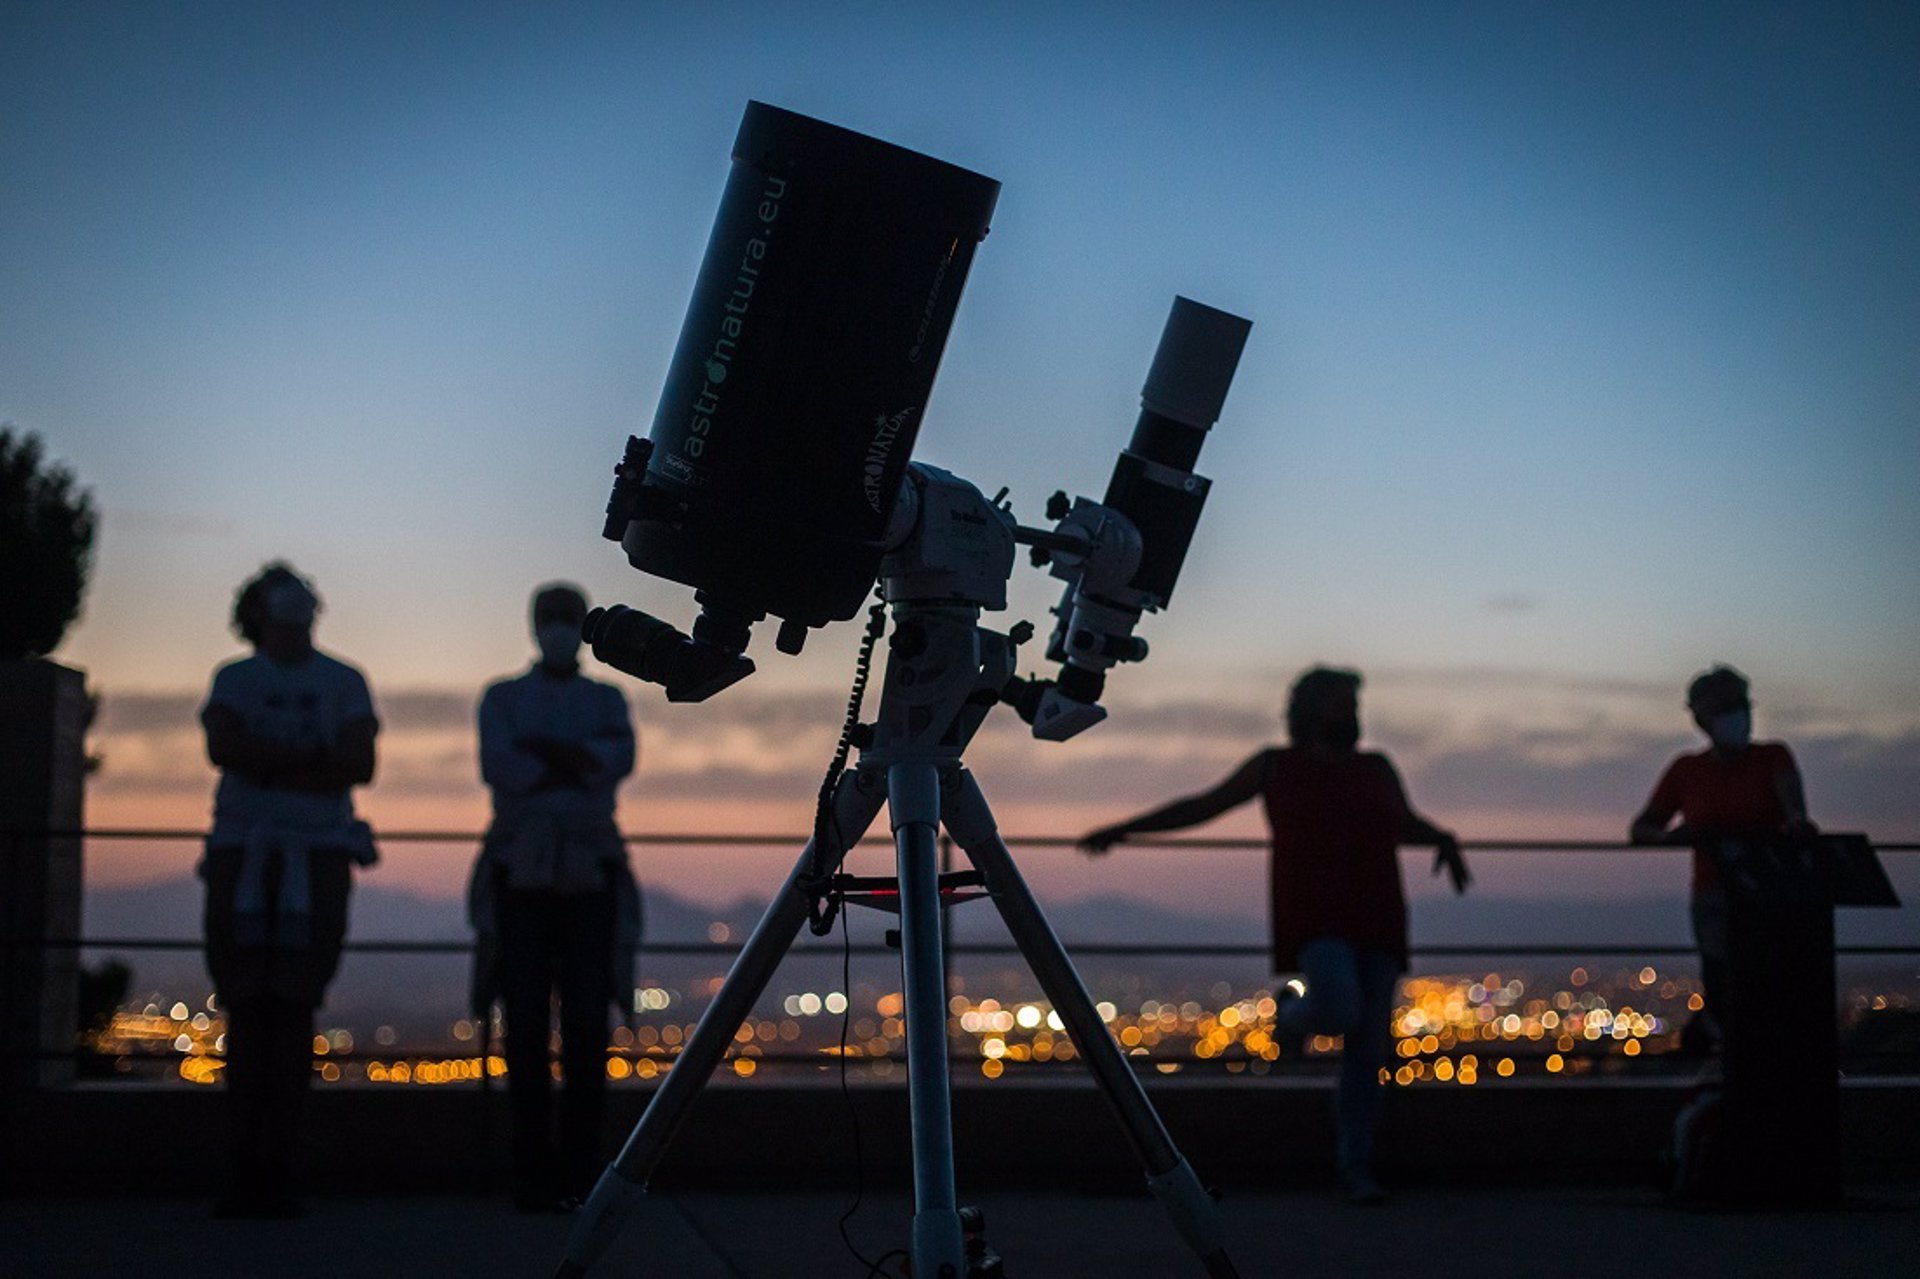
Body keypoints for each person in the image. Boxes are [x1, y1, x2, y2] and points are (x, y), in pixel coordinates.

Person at [1080, 666, 1468, 1204]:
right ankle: (1290, 1014)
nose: (1349, 713)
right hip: (1316, 917)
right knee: (1339, 1009)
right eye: (1338, 703)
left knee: (1367, 1053)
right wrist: (1127, 828)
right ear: (1310, 709)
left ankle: (1356, 1167)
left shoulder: (1376, 767)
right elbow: (1204, 805)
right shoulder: (1274, 768)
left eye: (1351, 704)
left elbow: (1403, 821)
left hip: (1378, 915)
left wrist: (1442, 839)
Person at [199, 562, 379, 1217]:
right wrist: (314, 765)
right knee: (251, 1006)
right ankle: (252, 1165)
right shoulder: (237, 679)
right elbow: (223, 745)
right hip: (254, 854)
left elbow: (359, 763)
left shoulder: (341, 681)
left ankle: (272, 1165)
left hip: (304, 855)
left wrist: (267, 763)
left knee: (290, 1005)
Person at [471, 583, 640, 1210]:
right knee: (523, 1022)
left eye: (570, 619)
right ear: (534, 624)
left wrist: (543, 754)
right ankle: (531, 1164)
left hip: (589, 873)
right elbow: (502, 766)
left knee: (588, 1023)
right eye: (552, 619)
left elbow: (614, 762)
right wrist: (575, 761)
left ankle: (581, 1163)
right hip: (523, 872)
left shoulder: (606, 697)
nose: (560, 629)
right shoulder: (503, 697)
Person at [1629, 664, 1815, 1047]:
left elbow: (1796, 811)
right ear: (1703, 720)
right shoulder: (1686, 770)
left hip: (1771, 895)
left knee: (1760, 984)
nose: (1738, 715)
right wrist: (1670, 840)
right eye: (1727, 707)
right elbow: (1642, 828)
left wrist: (1796, 825)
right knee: (1728, 979)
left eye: (1741, 704)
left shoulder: (1774, 757)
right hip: (1715, 896)